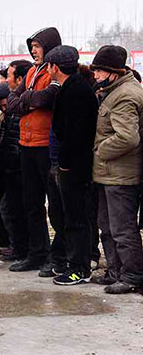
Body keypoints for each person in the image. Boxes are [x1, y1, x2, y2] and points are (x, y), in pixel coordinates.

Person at [6, 27, 62, 275]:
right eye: (32, 47)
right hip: (26, 145)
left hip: (46, 146)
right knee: (32, 203)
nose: (33, 51)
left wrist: (28, 99)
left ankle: (58, 255)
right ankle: (37, 253)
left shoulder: (55, 71)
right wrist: (30, 98)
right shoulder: (31, 71)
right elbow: (12, 103)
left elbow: (46, 99)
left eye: (37, 46)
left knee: (56, 206)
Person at [44, 45, 99, 285]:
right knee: (64, 216)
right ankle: (72, 261)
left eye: (48, 66)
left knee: (76, 217)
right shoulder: (71, 87)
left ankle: (80, 268)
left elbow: (76, 134)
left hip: (74, 167)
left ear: (54, 67)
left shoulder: (77, 91)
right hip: (65, 163)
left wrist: (65, 163)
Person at [90, 45, 143, 294]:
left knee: (122, 228)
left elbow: (127, 137)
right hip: (109, 173)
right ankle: (115, 271)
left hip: (120, 174)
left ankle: (132, 275)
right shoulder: (114, 91)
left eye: (99, 71)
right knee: (108, 225)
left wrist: (100, 150)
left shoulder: (125, 95)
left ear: (113, 71)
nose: (96, 76)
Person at [0, 60, 33, 262]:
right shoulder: (15, 100)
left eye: (9, 76)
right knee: (10, 208)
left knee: (18, 210)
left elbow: (18, 140)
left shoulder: (22, 102)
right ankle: (18, 247)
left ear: (19, 79)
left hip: (18, 168)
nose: (6, 79)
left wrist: (14, 164)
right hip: (11, 167)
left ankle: (23, 249)